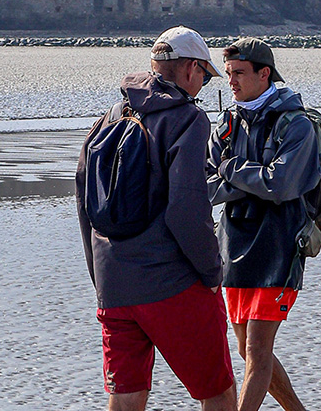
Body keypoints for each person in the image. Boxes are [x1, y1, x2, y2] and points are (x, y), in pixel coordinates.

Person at [78, 26, 236, 411]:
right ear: (191, 68)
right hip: (170, 280)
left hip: (114, 283)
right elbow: (187, 209)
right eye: (205, 76)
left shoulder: (109, 117)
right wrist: (212, 273)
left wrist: (100, 276)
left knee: (126, 397)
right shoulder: (188, 119)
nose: (202, 85)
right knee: (217, 392)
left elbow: (84, 199)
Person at [208, 39, 320, 411]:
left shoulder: (297, 123)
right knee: (247, 349)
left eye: (239, 73)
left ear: (264, 73)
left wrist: (231, 170)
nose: (231, 82)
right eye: (228, 74)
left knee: (257, 349)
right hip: (233, 247)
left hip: (279, 247)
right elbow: (205, 185)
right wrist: (257, 179)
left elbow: (282, 185)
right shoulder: (225, 123)